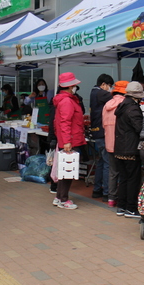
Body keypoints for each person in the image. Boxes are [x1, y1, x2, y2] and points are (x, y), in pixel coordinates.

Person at [52, 73, 86, 210]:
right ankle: (63, 199)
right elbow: (65, 122)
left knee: (64, 170)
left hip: (69, 139)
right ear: (70, 86)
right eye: (74, 85)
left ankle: (59, 197)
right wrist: (67, 141)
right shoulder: (67, 101)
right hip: (71, 140)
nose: (76, 87)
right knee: (68, 171)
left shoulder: (65, 100)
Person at [113, 81, 144, 218]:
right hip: (131, 148)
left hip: (120, 147)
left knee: (124, 178)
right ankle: (131, 208)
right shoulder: (133, 108)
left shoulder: (122, 106)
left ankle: (121, 206)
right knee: (133, 179)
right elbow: (139, 128)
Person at [102, 81, 128, 211]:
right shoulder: (125, 105)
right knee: (124, 173)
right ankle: (123, 199)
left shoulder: (106, 105)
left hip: (109, 143)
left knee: (112, 172)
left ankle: (111, 198)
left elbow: (103, 125)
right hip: (122, 144)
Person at [89, 73, 114, 201]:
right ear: (103, 84)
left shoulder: (93, 93)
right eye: (109, 86)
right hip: (102, 132)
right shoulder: (100, 93)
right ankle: (106, 191)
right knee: (107, 163)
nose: (109, 89)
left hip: (96, 131)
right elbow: (115, 98)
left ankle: (97, 189)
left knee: (101, 161)